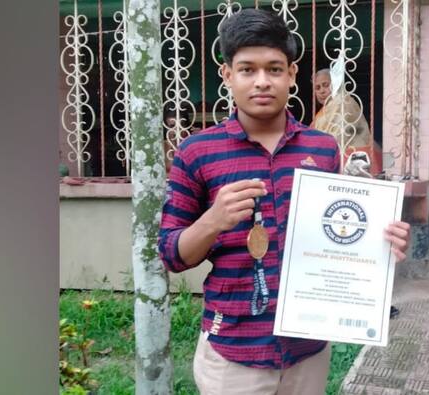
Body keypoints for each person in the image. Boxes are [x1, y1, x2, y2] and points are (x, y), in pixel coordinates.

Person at [158, 9, 411, 395]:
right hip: (234, 351)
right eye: (247, 70)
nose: (262, 81)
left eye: (274, 69)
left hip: (307, 350)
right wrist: (213, 220)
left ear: (292, 74)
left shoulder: (322, 148)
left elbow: (336, 230)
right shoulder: (197, 152)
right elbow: (172, 256)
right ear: (228, 76)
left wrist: (381, 239)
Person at [311, 68, 382, 175]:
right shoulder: (326, 108)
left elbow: (336, 138)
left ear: (335, 84)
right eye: (317, 88)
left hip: (354, 161)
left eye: (326, 85)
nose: (322, 91)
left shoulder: (342, 102)